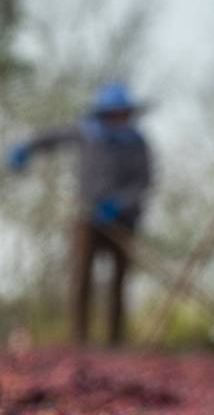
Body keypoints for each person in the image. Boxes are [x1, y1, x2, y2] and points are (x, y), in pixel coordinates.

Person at [8, 81, 154, 347]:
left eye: (123, 113)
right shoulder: (87, 134)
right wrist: (26, 148)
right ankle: (80, 340)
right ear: (102, 113)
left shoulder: (137, 143)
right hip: (87, 217)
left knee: (118, 282)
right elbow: (51, 138)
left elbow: (143, 183)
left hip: (124, 221)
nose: (118, 118)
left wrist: (118, 204)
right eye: (113, 113)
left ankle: (115, 341)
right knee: (82, 276)